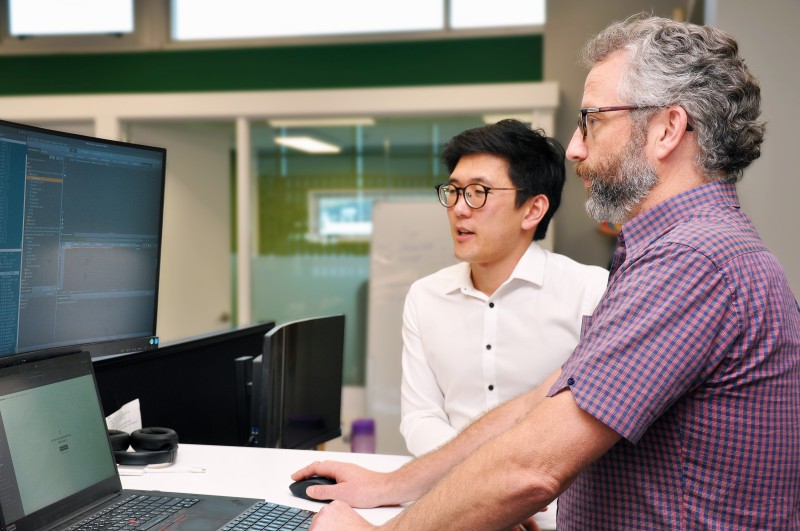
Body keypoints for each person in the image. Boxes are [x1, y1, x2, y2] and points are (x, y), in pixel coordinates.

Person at [293, 13, 800, 529]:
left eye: (593, 121)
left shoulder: (692, 263)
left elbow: (531, 471)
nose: (576, 147)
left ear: (668, 129)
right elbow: (542, 404)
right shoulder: (680, 254)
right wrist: (393, 485)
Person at [401, 120, 608, 530]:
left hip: (554, 518)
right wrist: (478, 495)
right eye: (454, 190)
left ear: (533, 209)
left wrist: (507, 496)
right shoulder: (424, 297)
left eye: (478, 192)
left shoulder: (591, 292)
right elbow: (420, 416)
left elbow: (589, 427)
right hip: (447, 511)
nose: (459, 207)